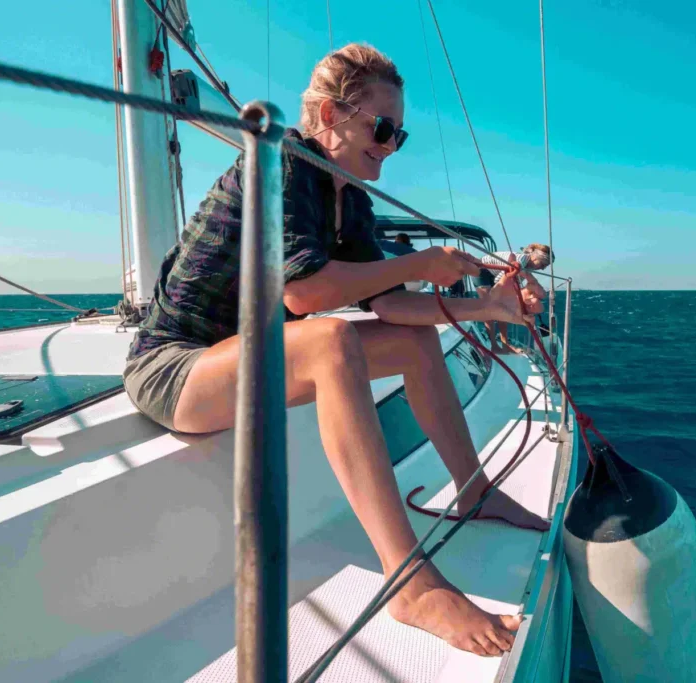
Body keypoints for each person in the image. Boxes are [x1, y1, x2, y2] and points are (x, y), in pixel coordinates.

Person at [122, 43, 547, 658]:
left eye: (399, 135)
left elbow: (392, 306)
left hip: (241, 358)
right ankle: (410, 584)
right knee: (330, 340)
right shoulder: (283, 165)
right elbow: (304, 293)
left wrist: (490, 306)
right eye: (381, 128)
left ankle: (474, 487)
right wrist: (422, 262)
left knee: (413, 341)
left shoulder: (351, 201)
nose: (391, 145)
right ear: (329, 115)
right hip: (174, 367)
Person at [476, 244, 554, 353]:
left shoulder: (527, 267)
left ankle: (505, 344)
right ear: (534, 258)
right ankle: (494, 346)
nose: (543, 268)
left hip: (494, 275)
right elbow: (500, 280)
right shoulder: (520, 261)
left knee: (501, 308)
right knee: (489, 309)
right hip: (481, 271)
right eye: (543, 264)